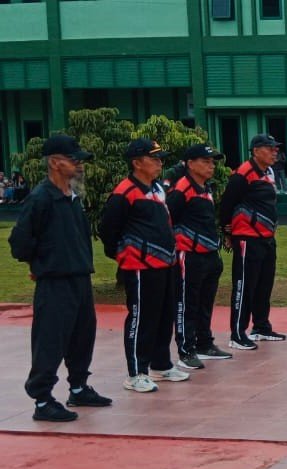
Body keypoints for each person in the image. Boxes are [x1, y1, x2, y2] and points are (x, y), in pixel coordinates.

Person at [8, 135, 111, 421]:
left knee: (82, 335)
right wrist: (38, 262)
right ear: (55, 162)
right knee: (50, 339)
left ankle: (78, 387)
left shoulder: (72, 196)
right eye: (73, 160)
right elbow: (20, 241)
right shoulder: (41, 198)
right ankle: (42, 399)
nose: (79, 165)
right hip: (54, 281)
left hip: (79, 277)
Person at [100, 139, 188, 393]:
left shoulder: (158, 189)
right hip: (140, 266)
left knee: (164, 315)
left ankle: (161, 365)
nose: (160, 163)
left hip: (166, 263)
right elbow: (108, 229)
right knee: (142, 318)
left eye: (161, 158)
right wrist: (123, 254)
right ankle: (136, 372)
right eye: (154, 158)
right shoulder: (124, 192)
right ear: (136, 163)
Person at [167, 144, 234, 370]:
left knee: (206, 302)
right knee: (187, 304)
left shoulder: (205, 188)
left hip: (209, 255)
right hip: (189, 255)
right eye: (206, 161)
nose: (211, 166)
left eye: (212, 162)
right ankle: (186, 349)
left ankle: (205, 343)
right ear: (190, 164)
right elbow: (169, 220)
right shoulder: (182, 189)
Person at [220, 133, 286, 350]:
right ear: (256, 151)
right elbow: (226, 205)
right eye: (270, 148)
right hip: (247, 238)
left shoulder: (268, 172)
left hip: (266, 238)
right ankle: (237, 333)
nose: (274, 151)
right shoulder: (242, 174)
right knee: (245, 285)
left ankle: (261, 327)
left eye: (275, 148)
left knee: (264, 284)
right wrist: (228, 233)